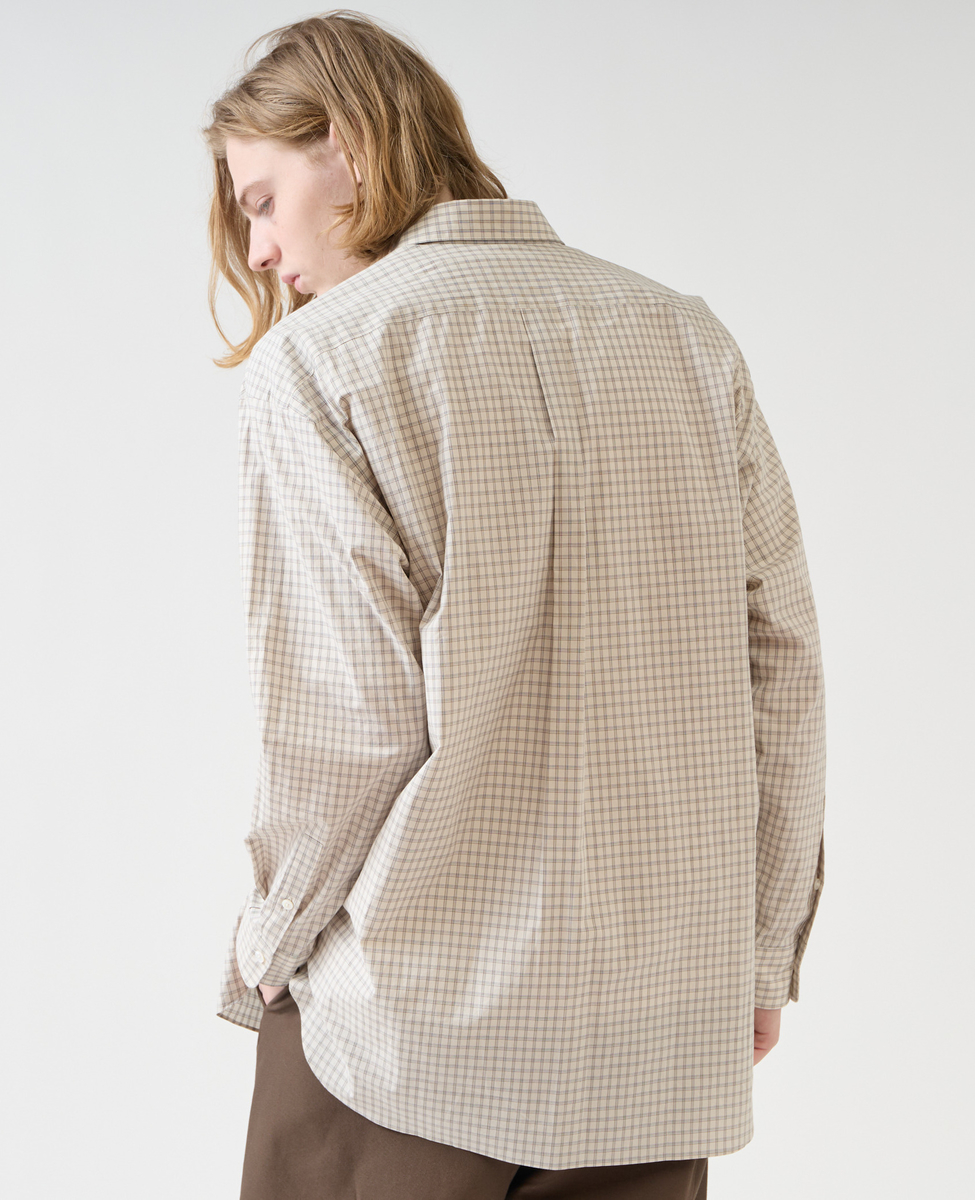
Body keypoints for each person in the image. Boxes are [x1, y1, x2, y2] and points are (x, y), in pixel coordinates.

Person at [203, 10, 826, 1200]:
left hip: (402, 1031)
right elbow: (781, 659)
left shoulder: (324, 360)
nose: (264, 249)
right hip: (651, 1032)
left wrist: (269, 946)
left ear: (345, 144)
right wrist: (757, 954)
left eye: (262, 200)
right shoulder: (684, 337)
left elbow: (351, 723)